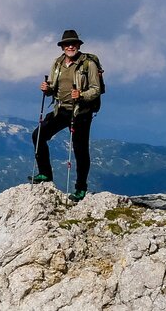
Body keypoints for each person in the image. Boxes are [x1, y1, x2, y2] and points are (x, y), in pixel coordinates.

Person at [31, 29, 102, 202]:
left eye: (73, 44)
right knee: (38, 135)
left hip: (81, 111)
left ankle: (80, 189)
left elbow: (96, 89)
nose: (70, 46)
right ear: (62, 47)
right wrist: (47, 89)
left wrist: (82, 95)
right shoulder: (57, 64)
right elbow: (54, 88)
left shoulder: (88, 64)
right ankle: (45, 174)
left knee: (80, 149)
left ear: (78, 45)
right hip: (62, 109)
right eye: (67, 44)